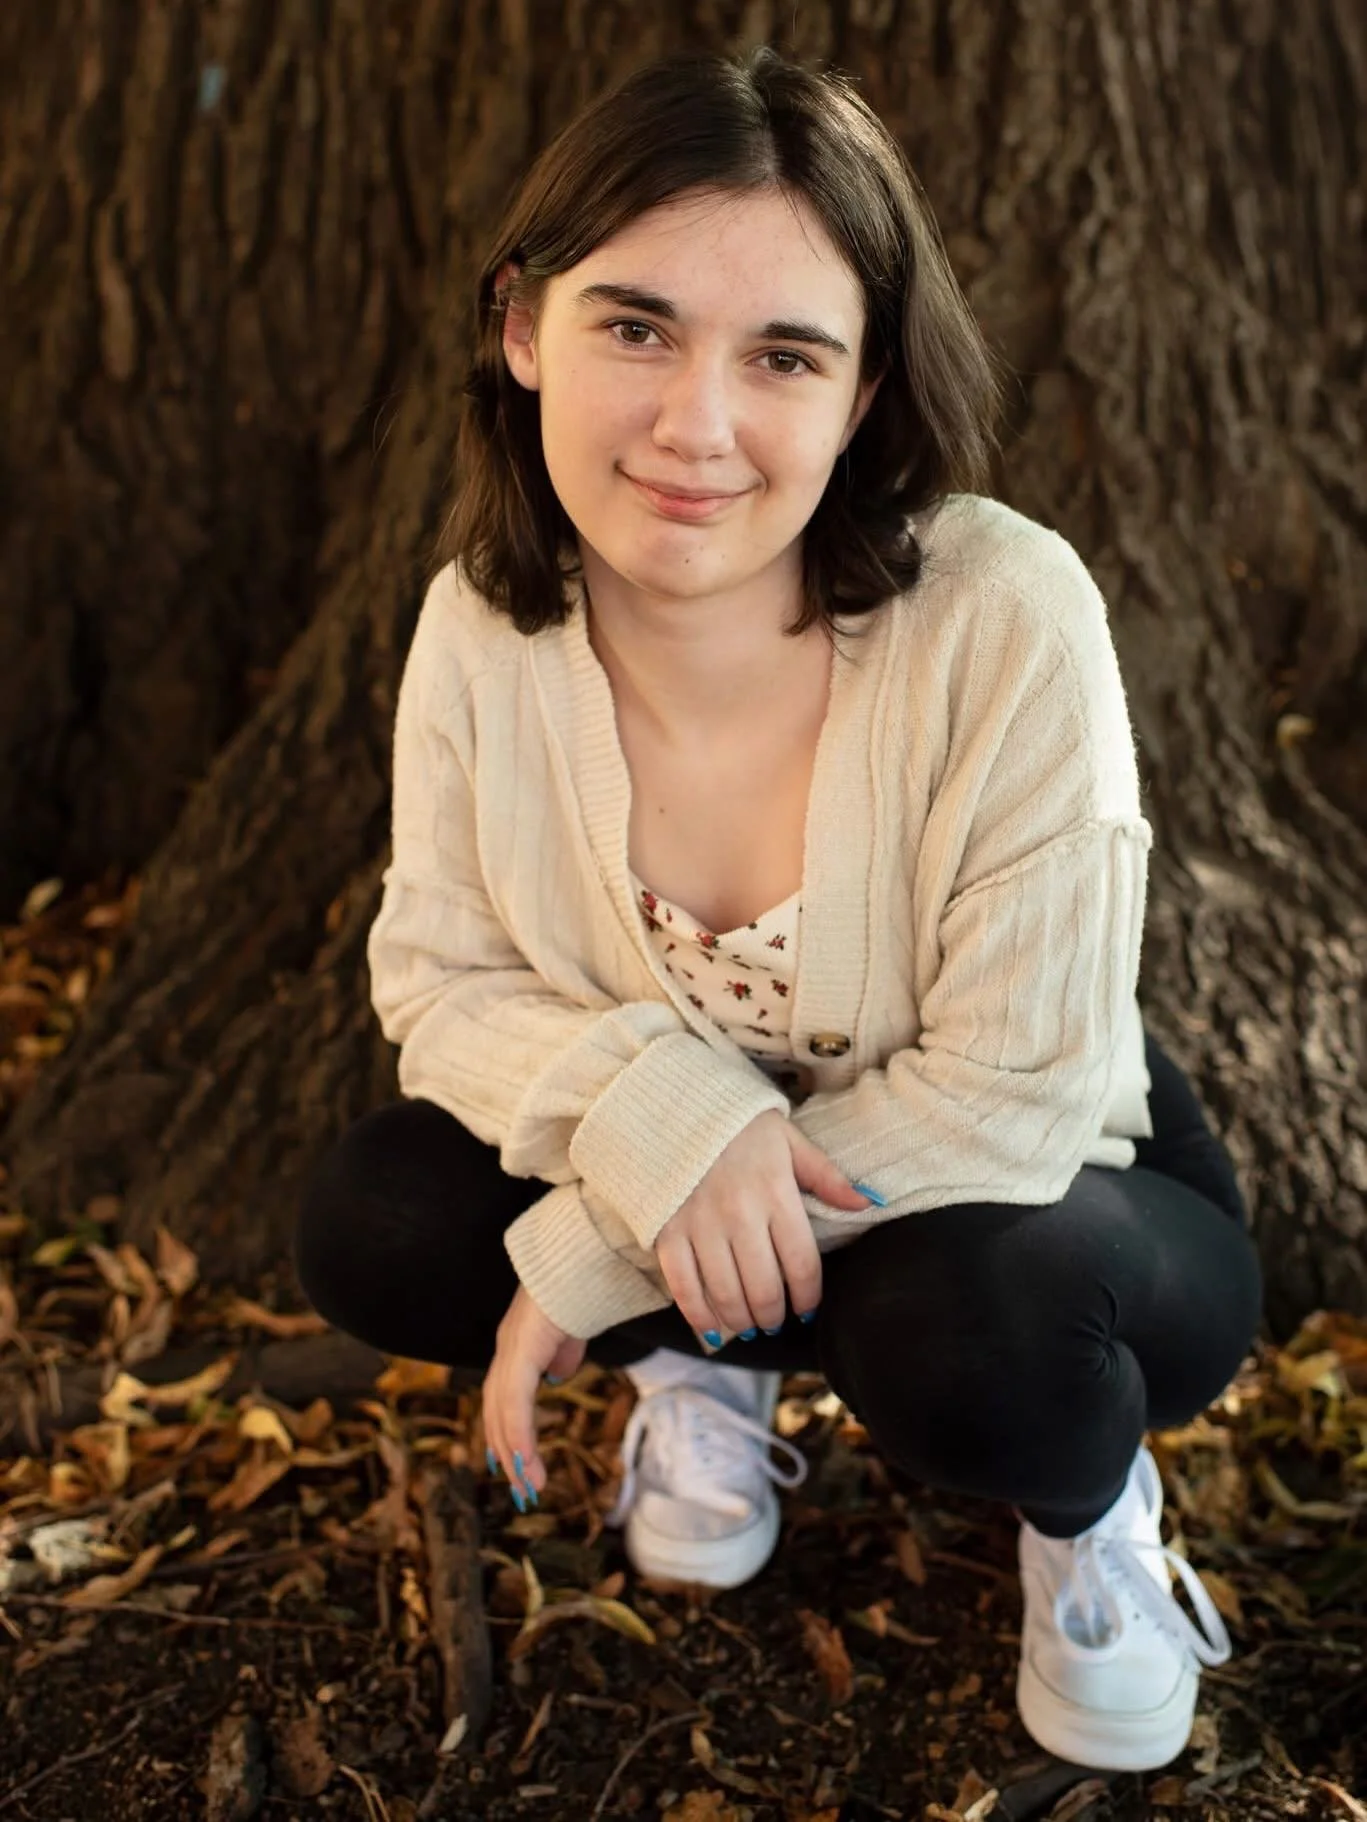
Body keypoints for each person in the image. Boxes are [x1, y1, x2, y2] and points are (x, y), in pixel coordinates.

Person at [294, 45, 1262, 1774]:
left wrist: (602, 1248)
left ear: (864, 388)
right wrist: (670, 1126)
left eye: (783, 355)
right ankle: (714, 1361)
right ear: (523, 326)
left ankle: (1087, 1511)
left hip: (1039, 1195)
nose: (696, 425)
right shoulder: (480, 627)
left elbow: (1016, 1094)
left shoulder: (1006, 615)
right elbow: (438, 979)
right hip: (771, 1191)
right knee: (377, 1217)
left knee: (976, 1334)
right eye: (635, 326)